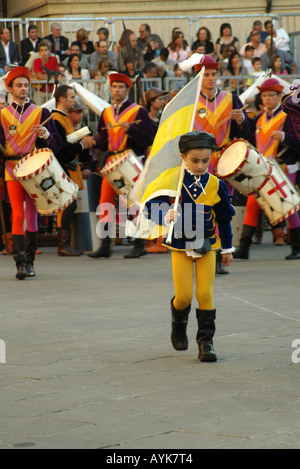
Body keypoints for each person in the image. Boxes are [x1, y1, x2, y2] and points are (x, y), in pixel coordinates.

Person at [145, 131, 235, 362]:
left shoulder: (216, 184)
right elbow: (150, 205)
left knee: (205, 293)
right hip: (180, 245)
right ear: (183, 156)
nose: (200, 165)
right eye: (195, 160)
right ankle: (178, 325)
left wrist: (226, 248)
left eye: (206, 160)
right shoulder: (172, 180)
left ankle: (206, 342)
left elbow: (224, 218)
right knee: (183, 297)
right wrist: (165, 213)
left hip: (207, 246)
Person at [0, 66, 62, 279]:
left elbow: (56, 143)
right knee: (17, 214)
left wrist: (46, 134)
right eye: (19, 85)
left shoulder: (41, 112)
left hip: (34, 170)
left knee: (32, 214)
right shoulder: (2, 115)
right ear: (10, 88)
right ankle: (20, 263)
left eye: (26, 85)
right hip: (12, 169)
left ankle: (30, 261)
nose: (23, 88)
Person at [192, 55, 252, 273]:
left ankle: (218, 255)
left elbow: (246, 132)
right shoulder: (189, 101)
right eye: (205, 74)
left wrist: (241, 120)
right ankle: (201, 252)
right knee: (199, 208)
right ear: (198, 76)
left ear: (218, 75)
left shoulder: (231, 99)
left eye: (213, 74)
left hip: (222, 161)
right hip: (197, 162)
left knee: (221, 209)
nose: (210, 78)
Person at [234, 78, 300, 261]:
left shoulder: (289, 118)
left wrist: (285, 137)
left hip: (285, 167)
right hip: (262, 169)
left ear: (280, 96)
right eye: (264, 96)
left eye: (271, 95)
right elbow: (248, 136)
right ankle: (244, 248)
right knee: (252, 205)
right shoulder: (260, 118)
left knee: (288, 206)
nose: (267, 99)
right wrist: (241, 121)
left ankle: (297, 246)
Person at [90, 73, 154, 259]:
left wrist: (131, 130)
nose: (117, 90)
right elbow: (103, 140)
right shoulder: (106, 112)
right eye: (114, 87)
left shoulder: (138, 111)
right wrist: (92, 141)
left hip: (131, 161)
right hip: (111, 162)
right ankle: (105, 245)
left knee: (133, 203)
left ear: (127, 90)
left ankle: (140, 243)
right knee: (105, 202)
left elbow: (148, 138)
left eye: (121, 87)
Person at [51, 85, 95, 257]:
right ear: (62, 99)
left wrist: (81, 144)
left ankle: (65, 244)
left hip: (68, 168)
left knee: (70, 205)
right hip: (63, 169)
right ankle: (63, 245)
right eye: (72, 97)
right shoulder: (56, 119)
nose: (74, 101)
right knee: (68, 205)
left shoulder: (63, 119)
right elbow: (61, 150)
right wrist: (82, 144)